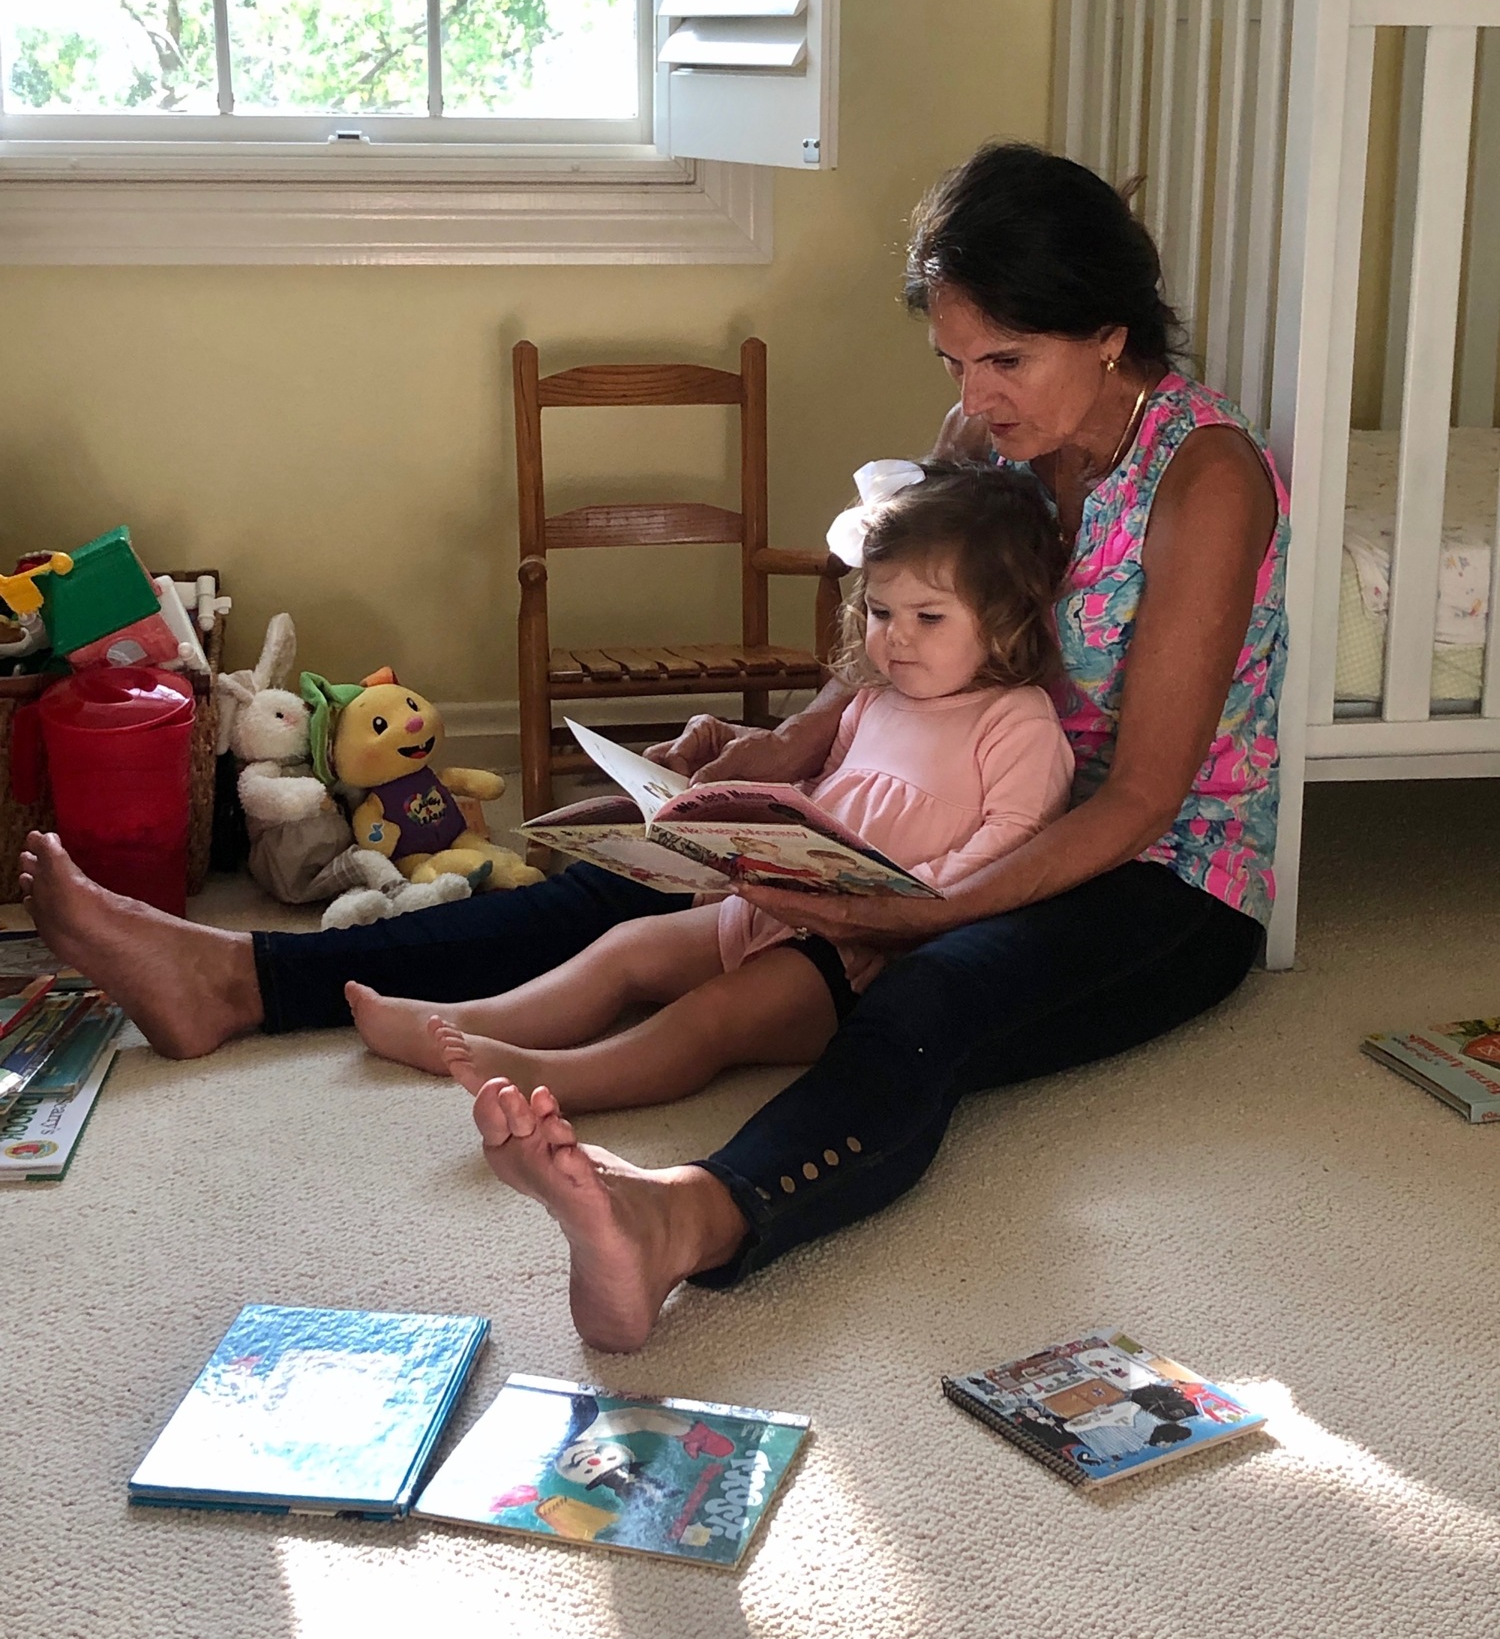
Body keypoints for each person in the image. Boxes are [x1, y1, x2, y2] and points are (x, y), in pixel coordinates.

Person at [18, 140, 1286, 1355]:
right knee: (642, 873)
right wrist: (781, 749)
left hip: (1157, 874)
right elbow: (899, 618)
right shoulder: (986, 442)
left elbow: (1137, 798)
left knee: (933, 992)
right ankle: (240, 979)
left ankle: (681, 1216)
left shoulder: (1204, 476)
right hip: (936, 798)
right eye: (956, 360)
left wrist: (921, 915)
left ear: (1111, 330)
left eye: (1003, 359)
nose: (972, 397)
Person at [346, 460, 1074, 1113]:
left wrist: (893, 901)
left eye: (929, 617)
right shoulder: (873, 699)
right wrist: (731, 849)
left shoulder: (1017, 721)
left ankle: (558, 1078)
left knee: (710, 1020)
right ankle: (473, 1019)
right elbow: (825, 792)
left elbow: (1013, 845)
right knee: (626, 948)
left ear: (1005, 623)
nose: (897, 637)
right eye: (881, 613)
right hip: (784, 909)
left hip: (874, 955)